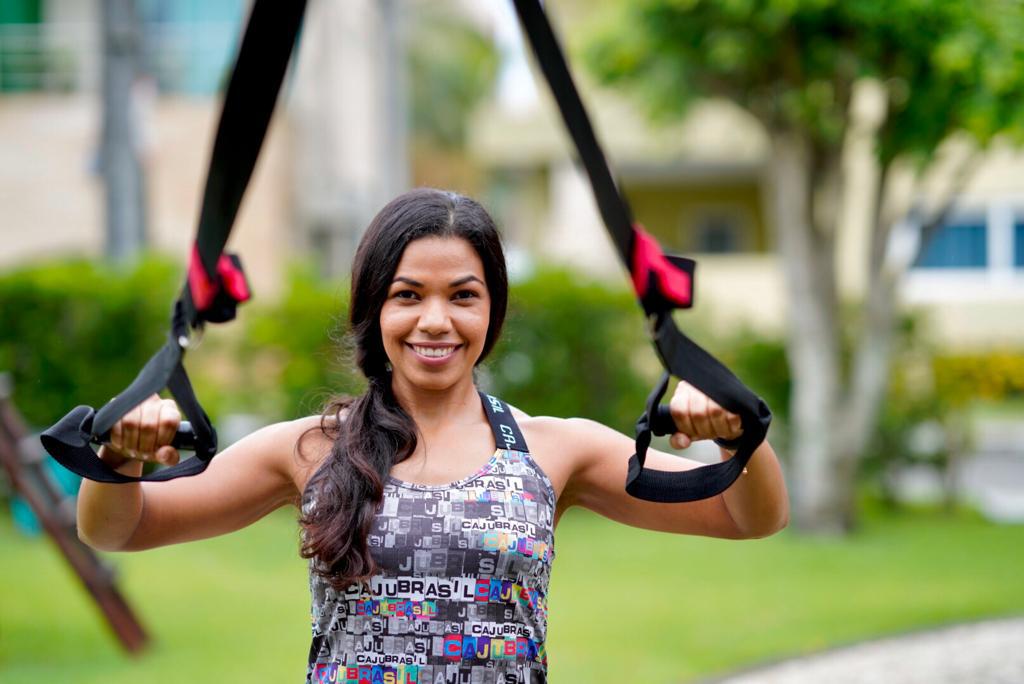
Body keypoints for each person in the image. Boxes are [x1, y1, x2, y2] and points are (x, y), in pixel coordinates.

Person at [77, 188, 788, 684]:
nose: (436, 321)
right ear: (373, 307)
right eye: (408, 294)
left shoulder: (552, 450)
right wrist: (119, 458)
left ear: (493, 310)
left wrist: (734, 436)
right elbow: (119, 530)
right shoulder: (311, 451)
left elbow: (745, 515)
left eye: (463, 295)